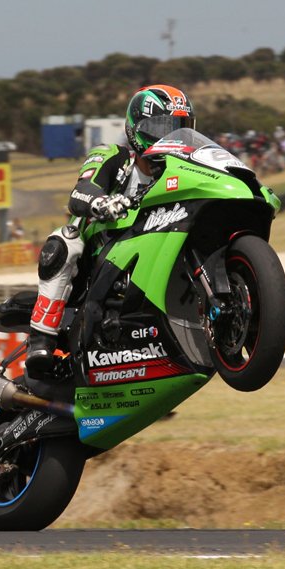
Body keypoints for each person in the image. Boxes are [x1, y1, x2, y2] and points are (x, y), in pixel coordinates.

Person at [24, 84, 195, 377]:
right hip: (100, 254)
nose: (170, 137)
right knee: (65, 239)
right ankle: (40, 340)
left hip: (154, 249)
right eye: (161, 128)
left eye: (179, 129)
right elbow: (80, 192)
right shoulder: (113, 157)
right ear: (136, 129)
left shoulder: (184, 171)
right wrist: (101, 202)